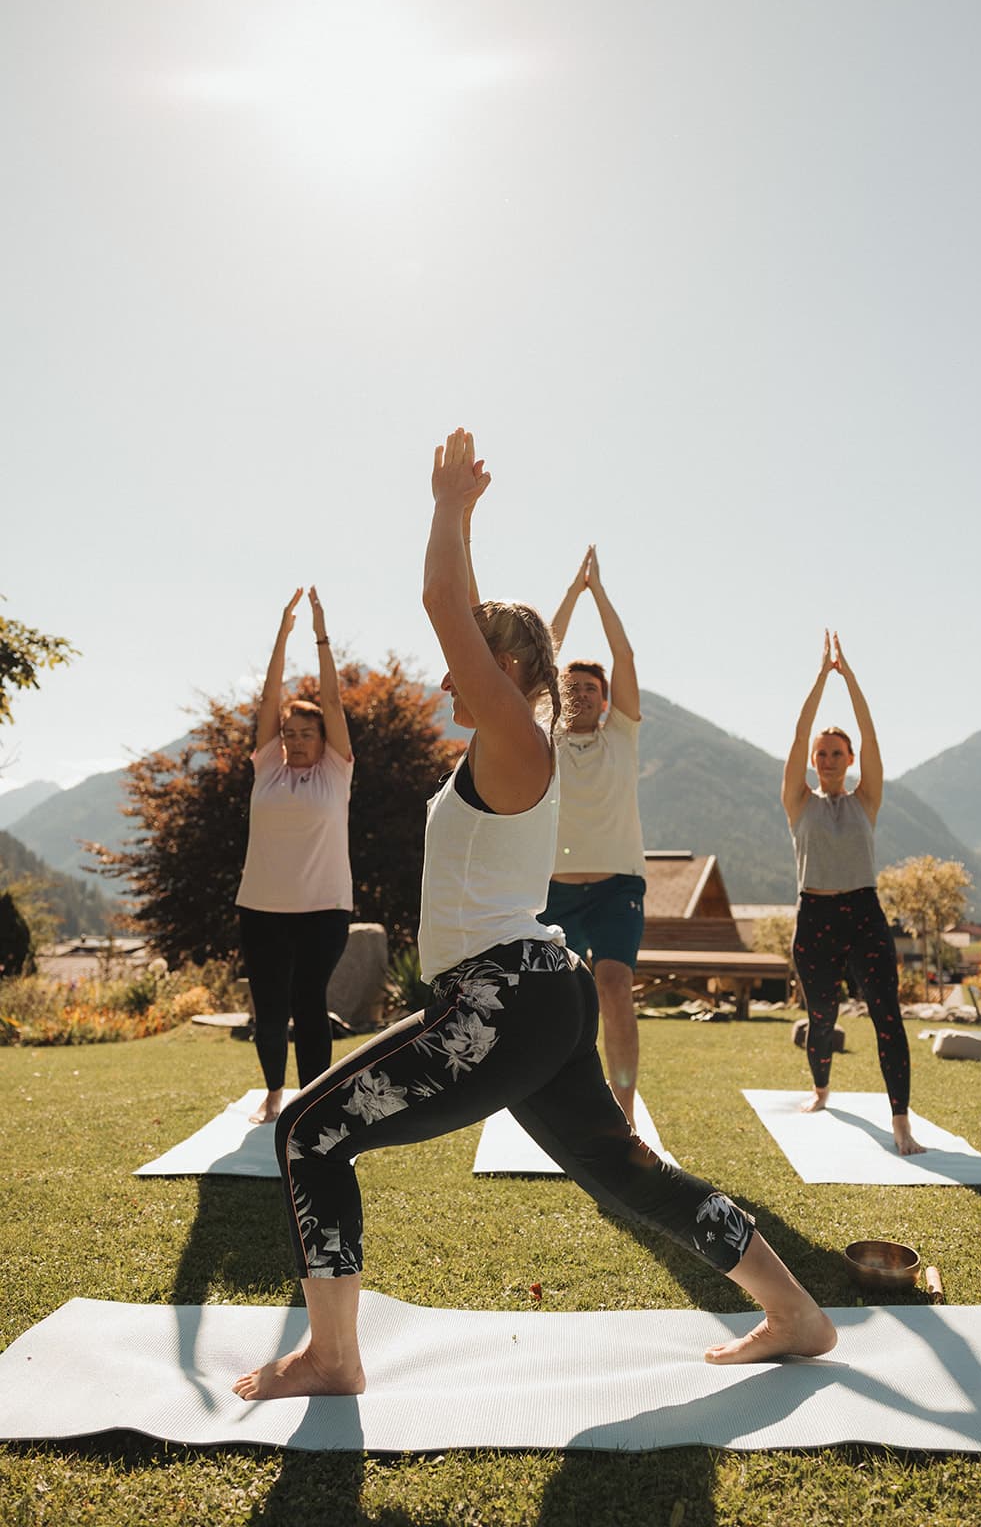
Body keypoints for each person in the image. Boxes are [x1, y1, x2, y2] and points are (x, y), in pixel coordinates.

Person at [232, 429, 836, 1402]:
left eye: (470, 659)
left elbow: (443, 608)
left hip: (500, 996)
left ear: (504, 669)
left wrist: (447, 508)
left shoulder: (516, 734)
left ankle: (332, 1353)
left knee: (308, 1133)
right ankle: (794, 1312)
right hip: (534, 996)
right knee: (622, 1170)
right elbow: (470, 623)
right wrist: (465, 532)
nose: (443, 676)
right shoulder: (522, 740)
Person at [781, 631, 924, 1156]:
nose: (828, 758)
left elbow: (871, 736)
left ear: (849, 758)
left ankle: (901, 1120)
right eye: (822, 753)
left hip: (863, 913)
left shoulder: (867, 798)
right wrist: (821, 678)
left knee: (888, 1014)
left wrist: (852, 680)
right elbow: (797, 736)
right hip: (814, 915)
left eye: (837, 752)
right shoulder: (799, 801)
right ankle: (821, 1088)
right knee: (822, 1016)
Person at [235, 586, 354, 1125]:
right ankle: (274, 1093)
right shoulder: (268, 768)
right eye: (290, 733)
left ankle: (313, 1100)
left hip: (325, 907)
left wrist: (319, 636)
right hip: (260, 907)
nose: (297, 739)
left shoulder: (336, 769)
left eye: (307, 733)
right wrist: (281, 636)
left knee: (308, 998)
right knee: (270, 1007)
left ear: (323, 739)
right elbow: (268, 699)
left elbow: (332, 700)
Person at [539, 546, 645, 1126]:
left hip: (615, 887)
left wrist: (597, 592)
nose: (579, 693)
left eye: (590, 688)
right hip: (552, 891)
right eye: (570, 686)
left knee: (613, 983)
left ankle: (623, 1117)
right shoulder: (545, 734)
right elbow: (540, 657)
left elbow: (623, 653)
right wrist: (569, 593)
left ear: (606, 701)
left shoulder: (621, 735)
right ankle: (558, 1104)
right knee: (556, 1004)